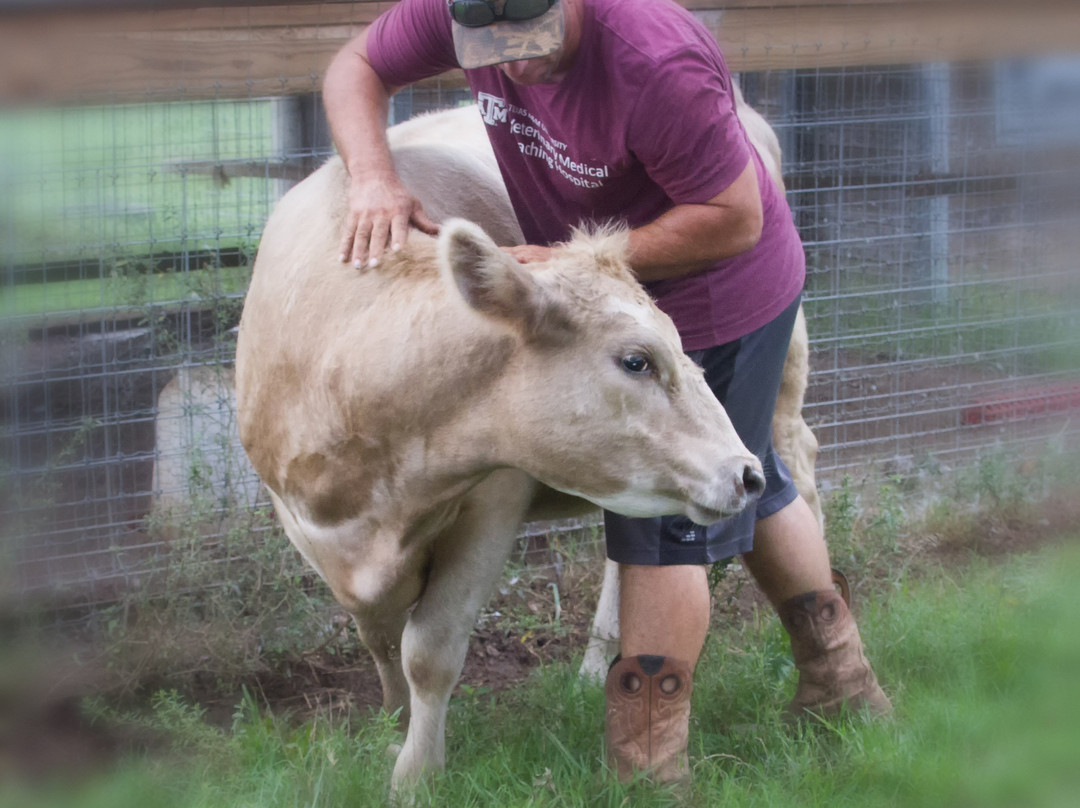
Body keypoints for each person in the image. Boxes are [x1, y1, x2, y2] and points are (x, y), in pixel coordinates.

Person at [322, 0, 891, 783]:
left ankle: (649, 773)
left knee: (660, 533)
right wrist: (372, 176)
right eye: (495, 52)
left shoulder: (652, 60)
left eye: (535, 47)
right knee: (755, 466)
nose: (514, 68)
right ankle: (843, 682)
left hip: (713, 293)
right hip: (609, 297)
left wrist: (579, 261)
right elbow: (356, 65)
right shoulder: (458, 12)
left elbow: (734, 219)